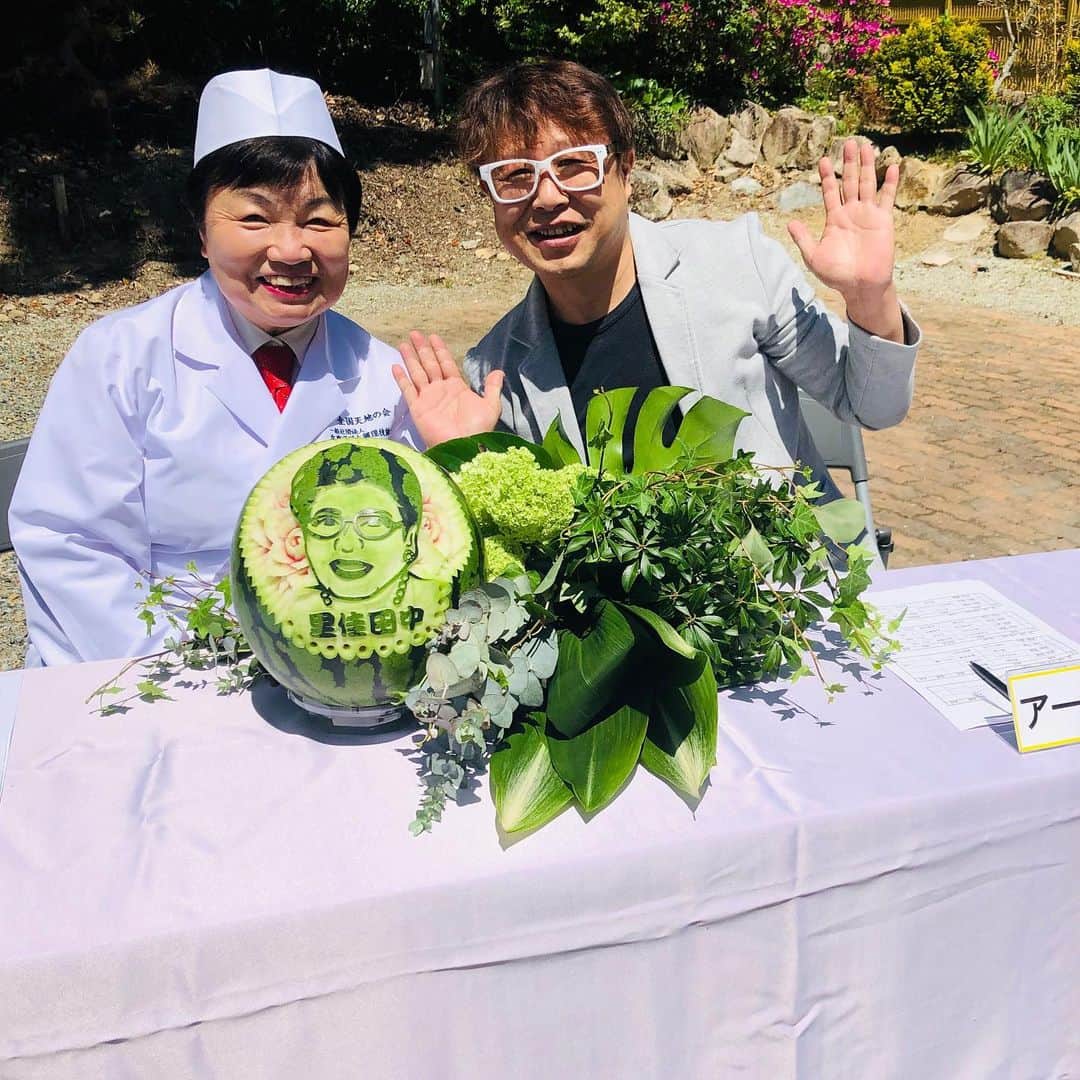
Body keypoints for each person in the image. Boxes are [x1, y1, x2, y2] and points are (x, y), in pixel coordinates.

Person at [10, 68, 421, 667]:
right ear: (201, 232)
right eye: (254, 219)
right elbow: (71, 540)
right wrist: (178, 674)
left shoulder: (384, 371)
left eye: (318, 219)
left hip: (334, 666)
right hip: (144, 665)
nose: (290, 249)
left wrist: (462, 445)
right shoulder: (121, 356)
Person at [394, 60, 920, 500]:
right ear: (491, 198)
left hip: (784, 603)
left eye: (575, 165)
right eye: (514, 175)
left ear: (625, 169)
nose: (548, 197)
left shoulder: (735, 263)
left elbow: (872, 406)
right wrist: (469, 454)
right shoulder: (496, 368)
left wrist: (871, 297)